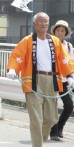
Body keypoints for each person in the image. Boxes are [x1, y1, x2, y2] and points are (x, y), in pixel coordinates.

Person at [6, 12, 74, 147]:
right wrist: (12, 69)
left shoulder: (54, 41)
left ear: (48, 24)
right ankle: (37, 144)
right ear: (34, 24)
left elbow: (64, 59)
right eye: (40, 21)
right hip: (33, 80)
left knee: (51, 118)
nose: (43, 24)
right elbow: (16, 56)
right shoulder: (27, 41)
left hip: (52, 80)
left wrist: (69, 75)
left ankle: (42, 137)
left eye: (46, 22)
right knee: (36, 118)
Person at [49, 20, 74, 141]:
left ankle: (60, 127)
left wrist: (71, 77)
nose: (60, 33)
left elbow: (71, 62)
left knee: (69, 105)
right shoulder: (48, 43)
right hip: (51, 79)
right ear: (54, 31)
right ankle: (53, 132)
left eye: (62, 31)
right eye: (58, 30)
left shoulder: (68, 46)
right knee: (52, 105)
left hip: (64, 80)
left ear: (65, 33)